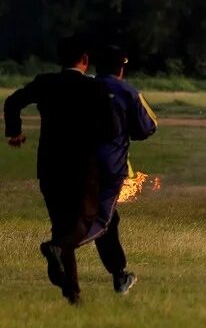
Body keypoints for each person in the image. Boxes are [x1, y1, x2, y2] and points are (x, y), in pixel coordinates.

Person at [4, 35, 117, 304]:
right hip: (82, 167)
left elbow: (12, 102)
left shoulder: (45, 83)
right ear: (86, 60)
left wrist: (15, 132)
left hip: (49, 167)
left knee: (61, 225)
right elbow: (109, 130)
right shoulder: (95, 89)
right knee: (86, 219)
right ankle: (55, 250)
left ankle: (72, 292)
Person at [81, 45, 160, 295]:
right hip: (109, 168)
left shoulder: (81, 88)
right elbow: (147, 127)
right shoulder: (127, 91)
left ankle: (119, 275)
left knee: (108, 220)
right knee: (103, 221)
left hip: (72, 164)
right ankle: (61, 248)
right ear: (121, 68)